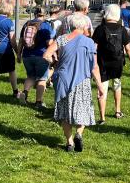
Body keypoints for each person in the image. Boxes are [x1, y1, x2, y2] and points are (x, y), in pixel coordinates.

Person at [43, 13, 104, 152]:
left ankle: (69, 142)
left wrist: (54, 62)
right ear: (83, 26)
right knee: (84, 109)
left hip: (63, 79)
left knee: (64, 112)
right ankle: (79, 133)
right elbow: (94, 67)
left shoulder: (61, 39)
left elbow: (46, 55)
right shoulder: (90, 43)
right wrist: (100, 86)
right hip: (82, 80)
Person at [92, 3, 130, 122]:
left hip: (103, 63)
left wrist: (92, 64)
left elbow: (93, 49)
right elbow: (128, 49)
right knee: (117, 86)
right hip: (117, 62)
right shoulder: (122, 29)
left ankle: (102, 118)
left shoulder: (100, 29)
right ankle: (117, 111)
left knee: (102, 89)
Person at [16, 6, 55, 108]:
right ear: (45, 14)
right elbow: (49, 42)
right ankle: (38, 102)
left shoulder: (27, 24)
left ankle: (24, 93)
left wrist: (19, 54)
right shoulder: (46, 25)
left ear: (34, 14)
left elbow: (21, 41)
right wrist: (54, 51)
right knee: (42, 79)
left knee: (30, 76)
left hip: (27, 56)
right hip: (41, 56)